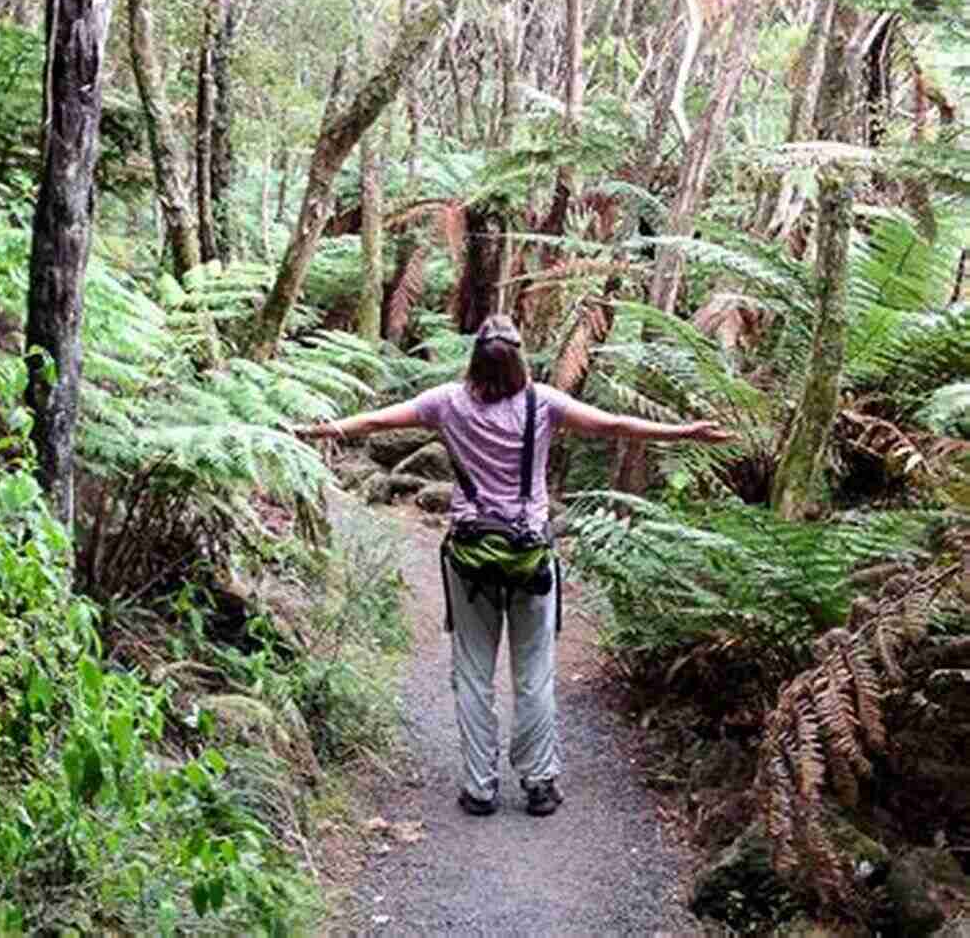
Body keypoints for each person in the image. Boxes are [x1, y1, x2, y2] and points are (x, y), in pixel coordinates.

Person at [296, 313, 734, 818]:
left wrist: (319, 429)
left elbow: (373, 421)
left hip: (470, 559)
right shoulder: (542, 403)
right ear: (520, 359)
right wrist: (684, 433)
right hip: (530, 557)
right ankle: (539, 783)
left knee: (473, 673)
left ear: (475, 358)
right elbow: (614, 425)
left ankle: (480, 787)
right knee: (534, 674)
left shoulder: (445, 403)